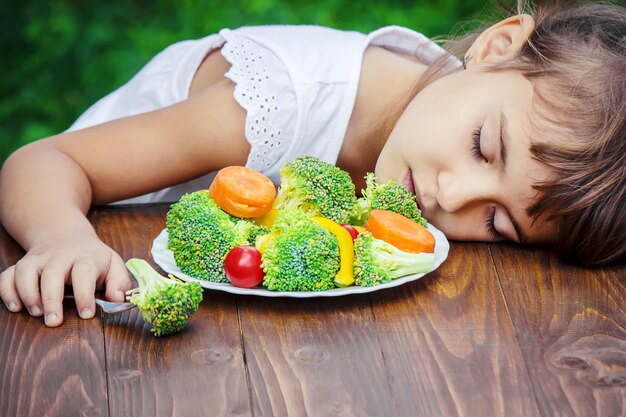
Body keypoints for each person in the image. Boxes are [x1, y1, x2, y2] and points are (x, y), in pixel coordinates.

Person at [0, 0, 624, 327]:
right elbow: (47, 159)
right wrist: (61, 240)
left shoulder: (439, 111)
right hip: (85, 252)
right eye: (483, 147)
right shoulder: (278, 104)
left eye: (497, 224)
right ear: (495, 47)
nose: (452, 196)